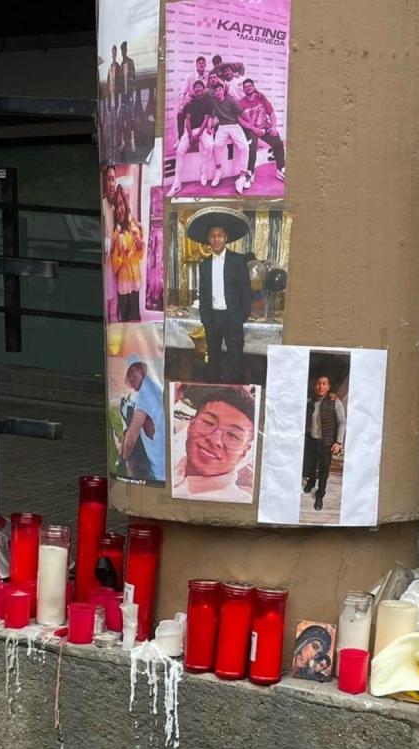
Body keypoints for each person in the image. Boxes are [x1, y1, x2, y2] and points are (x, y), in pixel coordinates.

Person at [193, 219, 253, 383]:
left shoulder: (238, 260)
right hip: (212, 318)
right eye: (213, 236)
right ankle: (214, 389)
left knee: (235, 357)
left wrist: (241, 316)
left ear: (226, 238)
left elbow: (246, 290)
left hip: (232, 317)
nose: (216, 239)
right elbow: (204, 293)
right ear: (209, 239)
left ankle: (236, 391)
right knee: (213, 358)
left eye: (220, 235)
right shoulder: (204, 265)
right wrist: (205, 317)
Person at [173, 386, 257, 501]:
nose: (215, 440)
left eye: (232, 435)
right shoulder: (166, 466)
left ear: (244, 452)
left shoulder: (238, 505)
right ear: (191, 425)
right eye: (208, 423)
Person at [118, 358, 166, 481]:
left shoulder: (143, 396)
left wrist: (121, 460)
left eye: (133, 372)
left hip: (157, 470)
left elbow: (130, 440)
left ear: (141, 370)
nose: (132, 378)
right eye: (129, 376)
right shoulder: (156, 389)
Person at [303, 374, 345, 511]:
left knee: (323, 471)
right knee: (310, 466)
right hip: (311, 441)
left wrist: (338, 442)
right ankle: (310, 483)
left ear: (328, 386)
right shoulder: (310, 402)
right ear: (315, 386)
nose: (321, 386)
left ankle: (320, 494)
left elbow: (341, 422)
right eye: (318, 383)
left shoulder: (334, 401)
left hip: (326, 443)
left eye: (324, 383)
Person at [237, 77, 285, 190]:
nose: (248, 88)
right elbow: (240, 121)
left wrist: (273, 127)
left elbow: (271, 113)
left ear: (253, 87)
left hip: (265, 126)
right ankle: (250, 174)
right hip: (251, 129)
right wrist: (253, 129)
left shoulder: (261, 98)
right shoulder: (241, 103)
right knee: (251, 147)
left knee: (278, 142)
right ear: (243, 89)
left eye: (250, 86)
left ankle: (280, 169)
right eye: (246, 87)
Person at [168, 80, 214, 195]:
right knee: (179, 151)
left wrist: (198, 135)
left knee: (209, 145)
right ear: (194, 90)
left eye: (200, 87)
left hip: (201, 129)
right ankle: (177, 183)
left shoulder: (207, 101)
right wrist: (190, 135)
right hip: (190, 130)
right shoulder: (190, 103)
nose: (198, 89)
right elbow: (187, 120)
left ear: (203, 89)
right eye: (196, 87)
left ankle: (204, 171)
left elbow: (206, 119)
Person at [204, 80, 248, 191]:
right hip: (223, 127)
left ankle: (242, 176)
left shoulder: (231, 101)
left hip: (234, 125)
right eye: (216, 90)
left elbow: (242, 113)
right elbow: (211, 117)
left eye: (220, 89)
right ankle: (218, 170)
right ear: (214, 93)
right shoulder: (214, 103)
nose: (218, 92)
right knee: (216, 145)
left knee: (244, 147)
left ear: (223, 90)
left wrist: (251, 122)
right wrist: (209, 127)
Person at [108, 187, 144, 322]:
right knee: (125, 329)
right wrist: (119, 251)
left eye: (121, 204)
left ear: (126, 203)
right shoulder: (115, 234)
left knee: (136, 323)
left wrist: (140, 246)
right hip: (123, 288)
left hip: (135, 285)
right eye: (117, 206)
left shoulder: (134, 226)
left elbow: (140, 255)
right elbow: (115, 267)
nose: (119, 209)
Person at [176, 56, 210, 138]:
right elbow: (182, 93)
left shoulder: (208, 76)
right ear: (196, 65)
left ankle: (207, 136)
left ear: (205, 65)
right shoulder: (190, 76)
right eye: (199, 63)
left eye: (203, 63)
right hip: (192, 103)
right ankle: (180, 138)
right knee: (179, 115)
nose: (201, 65)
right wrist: (181, 106)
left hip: (204, 105)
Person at [121, 41, 139, 156]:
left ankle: (133, 141)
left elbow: (134, 78)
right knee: (123, 118)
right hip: (123, 96)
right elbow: (118, 83)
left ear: (126, 50)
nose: (123, 52)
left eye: (124, 49)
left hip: (130, 95)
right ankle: (123, 142)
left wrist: (132, 92)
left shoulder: (131, 62)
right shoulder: (121, 65)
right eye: (122, 50)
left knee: (132, 117)